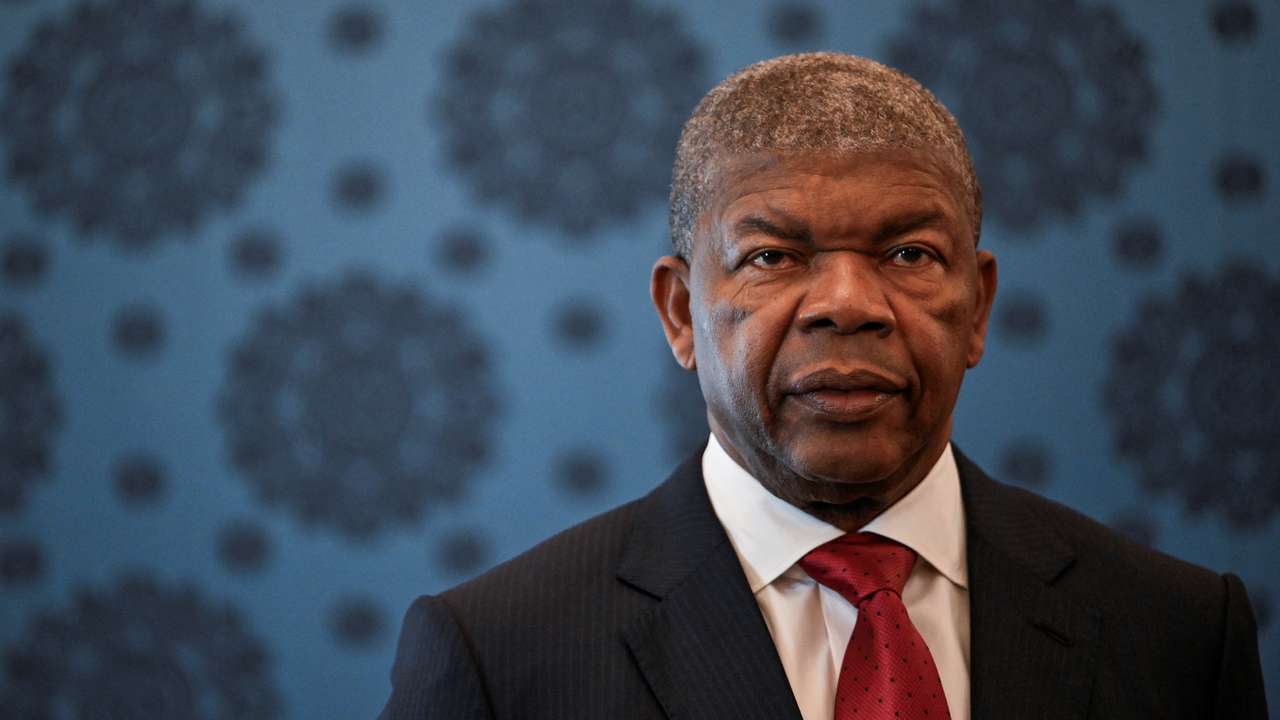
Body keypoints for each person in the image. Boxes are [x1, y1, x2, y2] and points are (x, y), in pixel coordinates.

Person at [379, 52, 1268, 719]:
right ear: (681, 311)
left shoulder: (1181, 633)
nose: (848, 305)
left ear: (979, 307)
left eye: (909, 254)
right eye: (772, 256)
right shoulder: (497, 658)